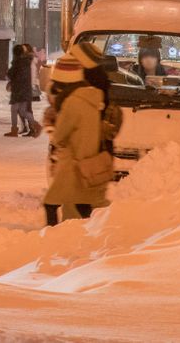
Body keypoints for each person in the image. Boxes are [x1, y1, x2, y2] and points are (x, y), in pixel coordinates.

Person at [43, 43, 111, 226]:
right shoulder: (94, 94)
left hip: (73, 159)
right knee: (82, 202)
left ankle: (53, 234)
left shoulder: (73, 100)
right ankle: (88, 231)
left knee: (53, 202)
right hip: (89, 155)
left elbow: (60, 135)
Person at [6, 44, 41, 137]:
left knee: (15, 109)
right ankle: (35, 125)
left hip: (19, 89)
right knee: (23, 111)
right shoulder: (27, 62)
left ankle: (15, 130)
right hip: (25, 89)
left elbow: (11, 74)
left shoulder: (18, 62)